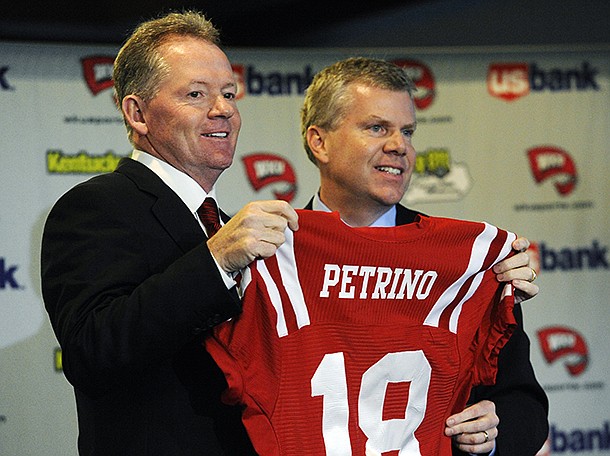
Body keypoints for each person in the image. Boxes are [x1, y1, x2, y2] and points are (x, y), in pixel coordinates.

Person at [40, 11, 296, 455]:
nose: (224, 110)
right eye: (196, 94)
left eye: (229, 93)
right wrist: (216, 262)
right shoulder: (95, 206)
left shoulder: (225, 224)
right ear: (137, 113)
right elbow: (91, 350)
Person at [300, 57, 549, 455]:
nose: (400, 146)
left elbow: (526, 406)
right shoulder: (265, 256)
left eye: (408, 131)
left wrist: (493, 429)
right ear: (319, 141)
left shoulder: (466, 264)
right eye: (377, 127)